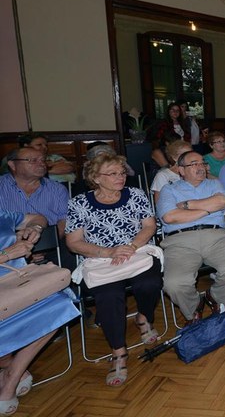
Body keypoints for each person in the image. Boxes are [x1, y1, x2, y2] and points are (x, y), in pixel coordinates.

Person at [65, 152, 163, 387]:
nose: (120, 177)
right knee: (109, 296)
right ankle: (118, 352)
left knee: (149, 283)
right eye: (112, 174)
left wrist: (131, 246)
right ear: (96, 178)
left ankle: (144, 317)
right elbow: (73, 242)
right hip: (101, 259)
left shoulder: (136, 195)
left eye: (122, 172)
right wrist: (108, 252)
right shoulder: (79, 203)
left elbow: (149, 225)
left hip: (136, 252)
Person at [0, 210, 79, 415]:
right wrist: (7, 254)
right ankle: (12, 367)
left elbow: (38, 217)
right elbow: (10, 252)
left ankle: (11, 378)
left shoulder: (2, 214)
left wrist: (34, 228)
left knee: (59, 303)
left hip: (19, 284)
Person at [156, 151, 225, 323]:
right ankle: (194, 308)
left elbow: (221, 202)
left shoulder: (214, 184)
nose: (201, 167)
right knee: (174, 283)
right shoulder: (169, 189)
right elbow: (170, 217)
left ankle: (215, 298)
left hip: (216, 236)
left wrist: (187, 206)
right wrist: (207, 209)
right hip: (180, 241)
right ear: (181, 170)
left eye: (202, 163)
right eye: (194, 163)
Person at [0, 147, 73, 268]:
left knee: (69, 251)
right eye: (32, 160)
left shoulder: (57, 189)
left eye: (43, 160)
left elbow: (64, 221)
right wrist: (16, 248)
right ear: (13, 164)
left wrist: (43, 246)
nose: (41, 163)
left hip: (50, 241)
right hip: (6, 244)